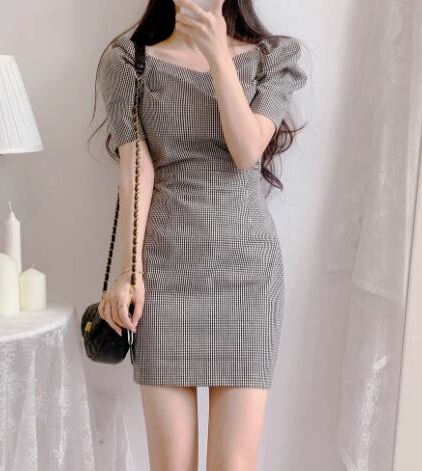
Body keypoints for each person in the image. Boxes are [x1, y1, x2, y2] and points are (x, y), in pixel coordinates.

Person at [92, 0, 307, 469]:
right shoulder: (129, 61)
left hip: (248, 276)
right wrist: (129, 272)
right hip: (165, 273)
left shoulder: (274, 57)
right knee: (172, 464)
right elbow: (136, 170)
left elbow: (247, 150)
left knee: (233, 464)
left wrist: (217, 55)